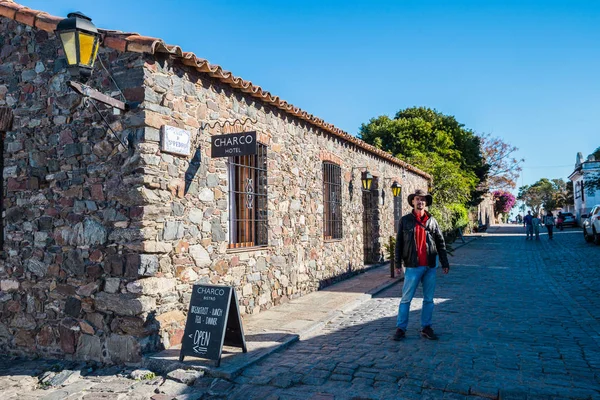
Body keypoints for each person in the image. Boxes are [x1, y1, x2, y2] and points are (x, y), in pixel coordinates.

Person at [393, 189, 450, 341]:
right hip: (412, 266)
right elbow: (399, 243)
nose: (420, 202)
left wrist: (444, 262)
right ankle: (401, 328)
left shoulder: (432, 221)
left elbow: (440, 242)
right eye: (418, 199)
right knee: (406, 299)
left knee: (429, 300)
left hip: (430, 266)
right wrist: (397, 263)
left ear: (426, 203)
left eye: (423, 199)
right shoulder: (405, 220)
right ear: (413, 201)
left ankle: (426, 327)